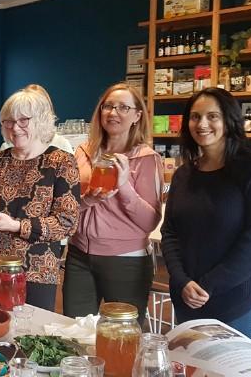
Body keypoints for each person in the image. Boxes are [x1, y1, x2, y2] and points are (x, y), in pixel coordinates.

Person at [161, 87, 251, 344]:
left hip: (239, 297)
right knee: (193, 364)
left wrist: (209, 285)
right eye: (195, 117)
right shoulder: (183, 175)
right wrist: (182, 281)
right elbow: (169, 232)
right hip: (188, 297)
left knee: (232, 364)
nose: (202, 124)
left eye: (212, 116)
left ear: (229, 120)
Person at [0, 87, 80, 311]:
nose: (15, 127)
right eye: (8, 121)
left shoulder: (60, 162)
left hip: (36, 270)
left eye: (23, 120)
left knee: (32, 329)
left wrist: (16, 226)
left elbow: (67, 222)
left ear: (41, 120)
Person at [62, 82, 163, 322]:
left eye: (123, 107)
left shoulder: (147, 158)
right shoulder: (83, 152)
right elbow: (67, 204)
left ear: (137, 116)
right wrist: (88, 199)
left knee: (122, 333)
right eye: (108, 106)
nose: (113, 112)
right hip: (79, 254)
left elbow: (150, 221)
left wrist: (124, 186)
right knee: (76, 329)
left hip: (126, 259)